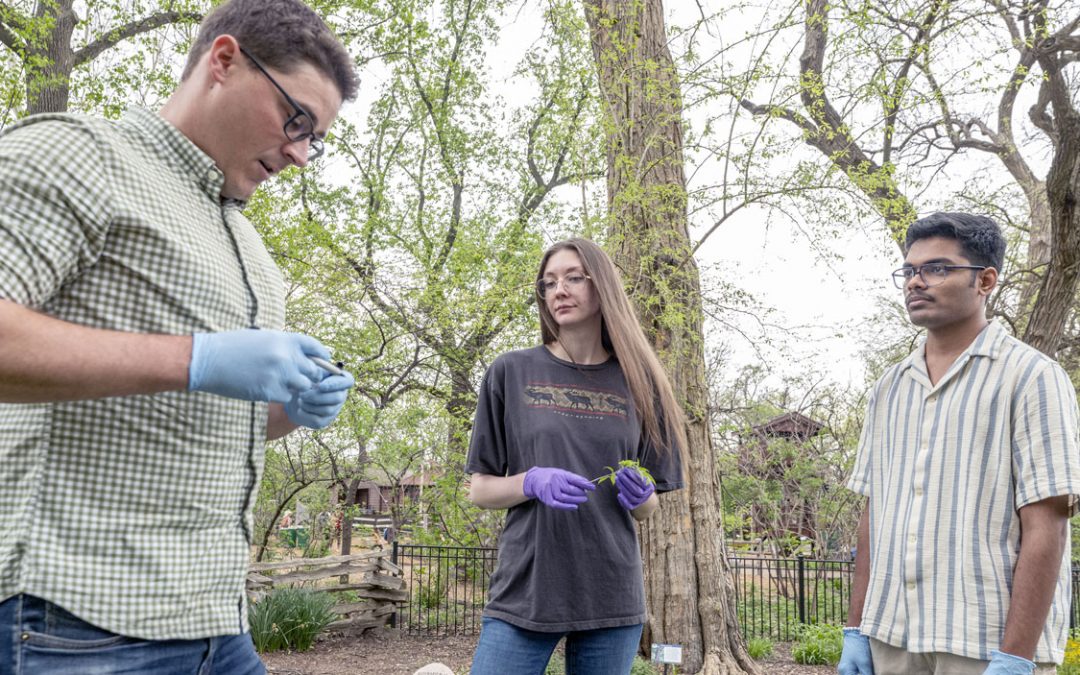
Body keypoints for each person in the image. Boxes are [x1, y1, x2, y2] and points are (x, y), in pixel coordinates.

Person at [0, 1, 360, 673]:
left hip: (217, 623)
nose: (301, 153)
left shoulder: (251, 250)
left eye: (315, 138)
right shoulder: (79, 153)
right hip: (76, 623)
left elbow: (204, 416)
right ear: (224, 61)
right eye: (296, 119)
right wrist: (197, 356)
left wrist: (289, 410)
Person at [838, 213, 1080, 675]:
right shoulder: (889, 388)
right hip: (892, 640)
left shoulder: (1032, 377)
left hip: (984, 644)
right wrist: (857, 628)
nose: (916, 282)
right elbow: (874, 515)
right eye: (909, 270)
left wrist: (1015, 657)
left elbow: (1047, 524)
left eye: (937, 268)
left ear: (985, 280)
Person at [466, 238, 686, 674]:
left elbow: (648, 509)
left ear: (602, 286)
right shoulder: (511, 371)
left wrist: (640, 495)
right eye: (548, 283)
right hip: (525, 590)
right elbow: (480, 490)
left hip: (611, 595)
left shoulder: (642, 382)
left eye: (573, 278)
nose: (559, 291)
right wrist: (530, 481)